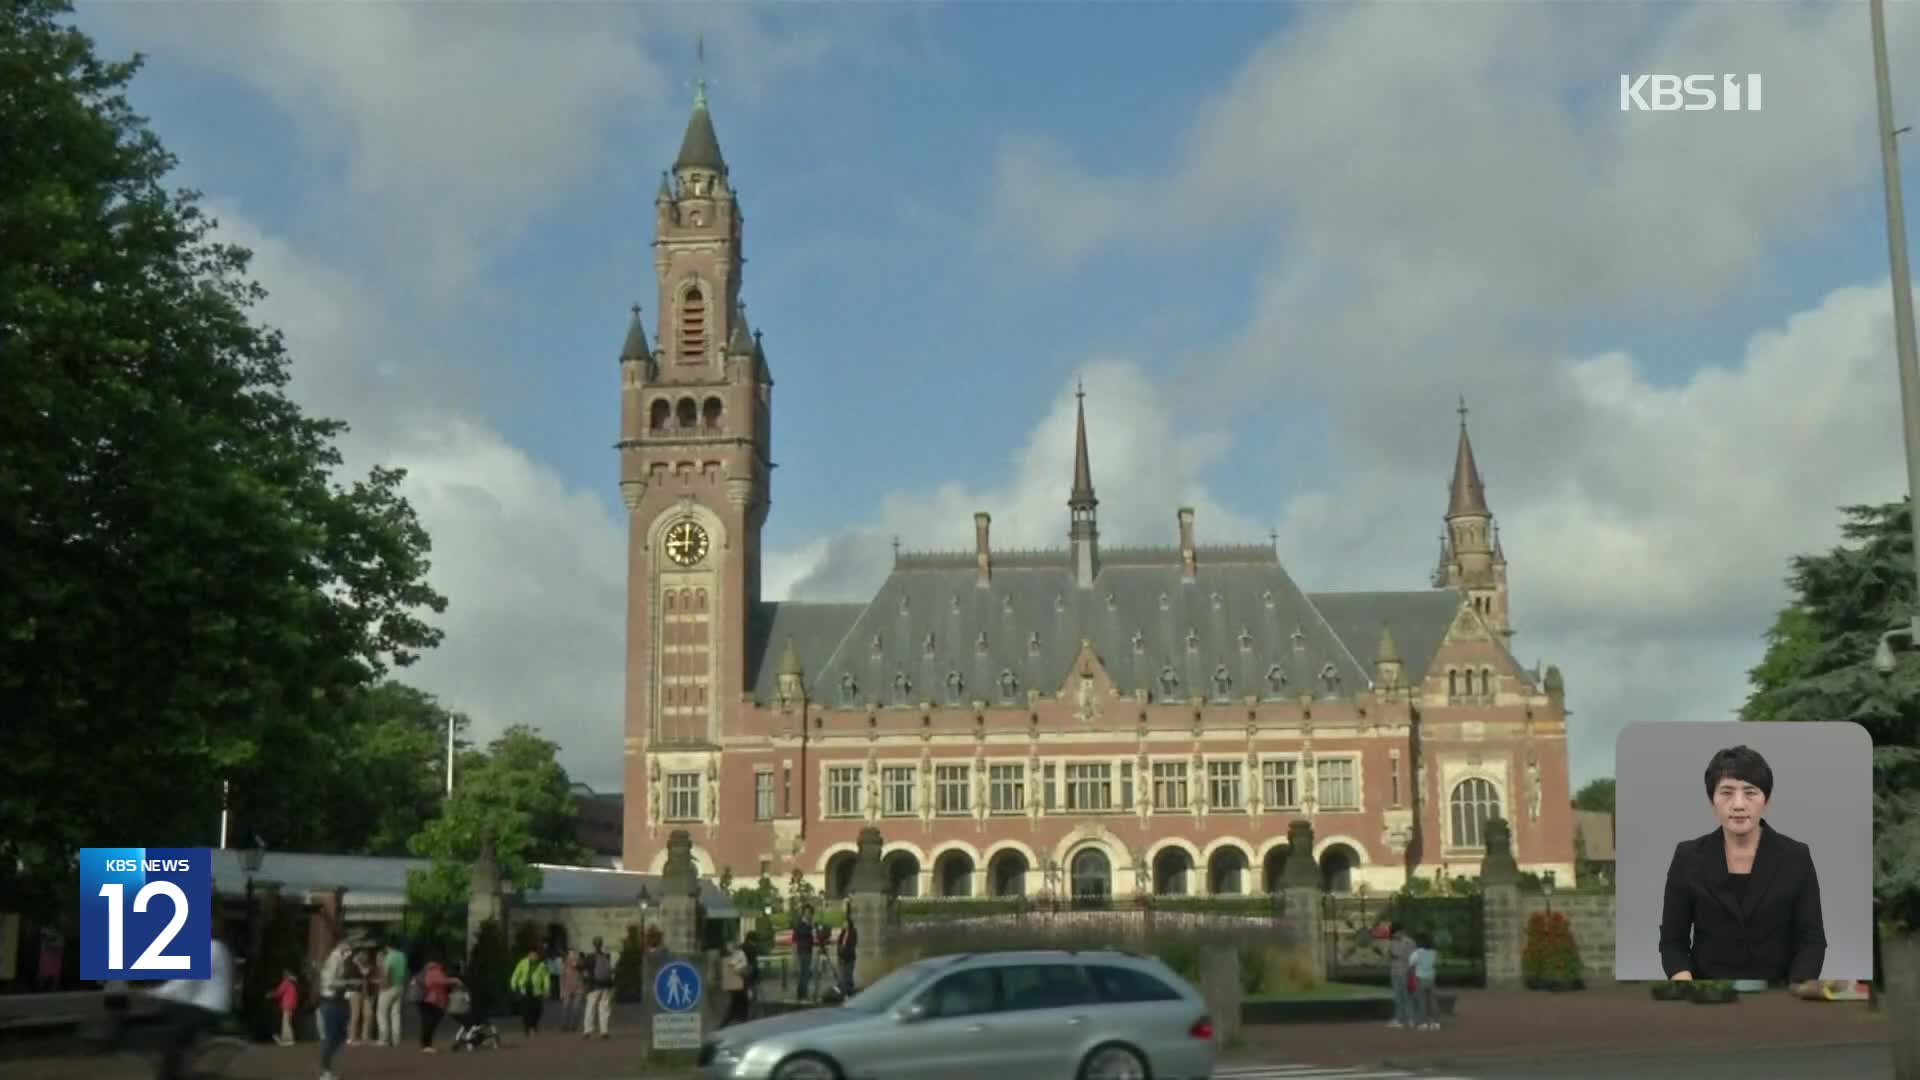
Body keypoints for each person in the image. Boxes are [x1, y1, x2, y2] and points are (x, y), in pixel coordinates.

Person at [1659, 745, 1827, 986]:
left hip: (1779, 994)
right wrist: (1687, 987)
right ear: (1712, 800)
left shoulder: (1796, 856)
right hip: (1708, 994)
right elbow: (1672, 943)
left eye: (1750, 792)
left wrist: (1796, 991)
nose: (1738, 804)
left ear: (1766, 800)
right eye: (1726, 792)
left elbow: (1811, 940)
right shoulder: (1688, 857)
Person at [146, 935, 234, 1079]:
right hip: (203, 1005)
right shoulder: (214, 947)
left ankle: (171, 1073)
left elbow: (186, 980)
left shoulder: (210, 949)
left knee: (172, 1031)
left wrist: (158, 993)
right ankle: (175, 1065)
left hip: (208, 1007)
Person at [316, 934, 364, 1080]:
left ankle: (326, 1066)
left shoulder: (339, 958)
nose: (352, 947)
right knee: (332, 1036)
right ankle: (325, 1070)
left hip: (337, 1000)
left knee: (340, 1035)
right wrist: (350, 982)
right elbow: (330, 982)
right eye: (350, 944)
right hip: (330, 1000)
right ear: (343, 944)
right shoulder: (335, 958)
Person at [415, 957, 456, 1052]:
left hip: (427, 1000)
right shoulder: (434, 970)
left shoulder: (429, 970)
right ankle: (426, 1045)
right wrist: (454, 980)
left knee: (430, 1021)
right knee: (429, 1021)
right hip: (429, 1000)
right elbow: (436, 982)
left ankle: (426, 1044)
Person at [510, 944, 550, 1036]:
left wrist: (547, 989)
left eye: (535, 955)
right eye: (531, 955)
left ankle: (534, 1025)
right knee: (525, 1010)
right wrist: (513, 986)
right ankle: (527, 1028)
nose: (533, 957)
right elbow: (516, 974)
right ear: (528, 955)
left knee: (538, 1010)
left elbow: (546, 977)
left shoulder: (541, 965)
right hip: (524, 990)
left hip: (536, 991)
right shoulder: (522, 963)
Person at [581, 936, 614, 1038]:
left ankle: (588, 1030)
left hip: (594, 985)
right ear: (601, 944)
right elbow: (611, 970)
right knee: (604, 1008)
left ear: (593, 945)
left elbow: (582, 967)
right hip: (606, 985)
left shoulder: (590, 957)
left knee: (590, 1007)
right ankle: (604, 1030)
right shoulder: (606, 956)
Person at [377, 938, 407, 1047]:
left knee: (382, 1013)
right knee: (396, 1014)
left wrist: (384, 986)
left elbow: (387, 972)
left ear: (387, 947)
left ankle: (384, 1039)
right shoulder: (402, 956)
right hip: (400, 986)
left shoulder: (389, 957)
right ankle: (396, 1039)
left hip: (389, 987)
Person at [1385, 923, 1416, 1028]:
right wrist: (1390, 956)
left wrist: (1397, 956)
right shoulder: (1392, 942)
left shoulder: (1409, 942)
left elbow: (1412, 957)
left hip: (1405, 972)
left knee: (1407, 996)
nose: (1394, 935)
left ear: (1401, 931)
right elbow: (1389, 956)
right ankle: (1399, 1019)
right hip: (1394, 972)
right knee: (1397, 997)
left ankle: (1410, 1018)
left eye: (1396, 933)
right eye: (1393, 933)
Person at [1409, 933, 1439, 1030]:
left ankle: (1423, 1023)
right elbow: (1435, 963)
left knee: (1422, 1001)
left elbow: (1411, 963)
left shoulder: (1417, 952)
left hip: (1420, 978)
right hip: (1431, 978)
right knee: (1433, 1001)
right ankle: (1435, 1022)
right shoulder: (1434, 952)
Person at [266, 967, 299, 1045]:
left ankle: (288, 1039)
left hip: (287, 1004)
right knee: (288, 1021)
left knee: (286, 1022)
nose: (283, 976)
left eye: (284, 974)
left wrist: (270, 995)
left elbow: (279, 992)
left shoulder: (286, 982)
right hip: (292, 1004)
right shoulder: (292, 983)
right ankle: (288, 1039)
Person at [720, 942, 750, 1025]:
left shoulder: (739, 954)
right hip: (737, 984)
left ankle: (728, 1021)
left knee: (737, 1002)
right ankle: (738, 1019)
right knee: (738, 1002)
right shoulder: (736, 955)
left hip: (739, 983)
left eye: (729, 948)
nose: (728, 950)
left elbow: (736, 967)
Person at [792, 905, 816, 1001]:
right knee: (804, 973)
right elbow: (801, 934)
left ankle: (802, 993)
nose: (808, 914)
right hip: (803, 951)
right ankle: (802, 994)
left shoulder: (809, 924)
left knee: (805, 973)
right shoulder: (801, 924)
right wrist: (810, 928)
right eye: (807, 912)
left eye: (809, 913)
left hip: (808, 950)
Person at [559, 948, 585, 1032]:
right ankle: (564, 1025)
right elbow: (562, 978)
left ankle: (574, 1026)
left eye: (574, 954)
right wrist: (561, 990)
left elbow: (583, 971)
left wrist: (577, 964)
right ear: (567, 955)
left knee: (576, 1008)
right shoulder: (564, 964)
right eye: (570, 954)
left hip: (579, 988)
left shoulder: (580, 963)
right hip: (567, 989)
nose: (572, 956)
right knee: (565, 1007)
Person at [836, 907, 858, 998]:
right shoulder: (842, 932)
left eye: (845, 923)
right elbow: (839, 943)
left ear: (849, 923)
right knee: (842, 977)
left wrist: (845, 954)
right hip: (841, 958)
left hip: (849, 958)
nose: (843, 924)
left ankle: (850, 993)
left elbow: (852, 945)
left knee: (848, 976)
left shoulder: (853, 932)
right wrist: (840, 952)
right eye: (843, 923)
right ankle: (843, 993)